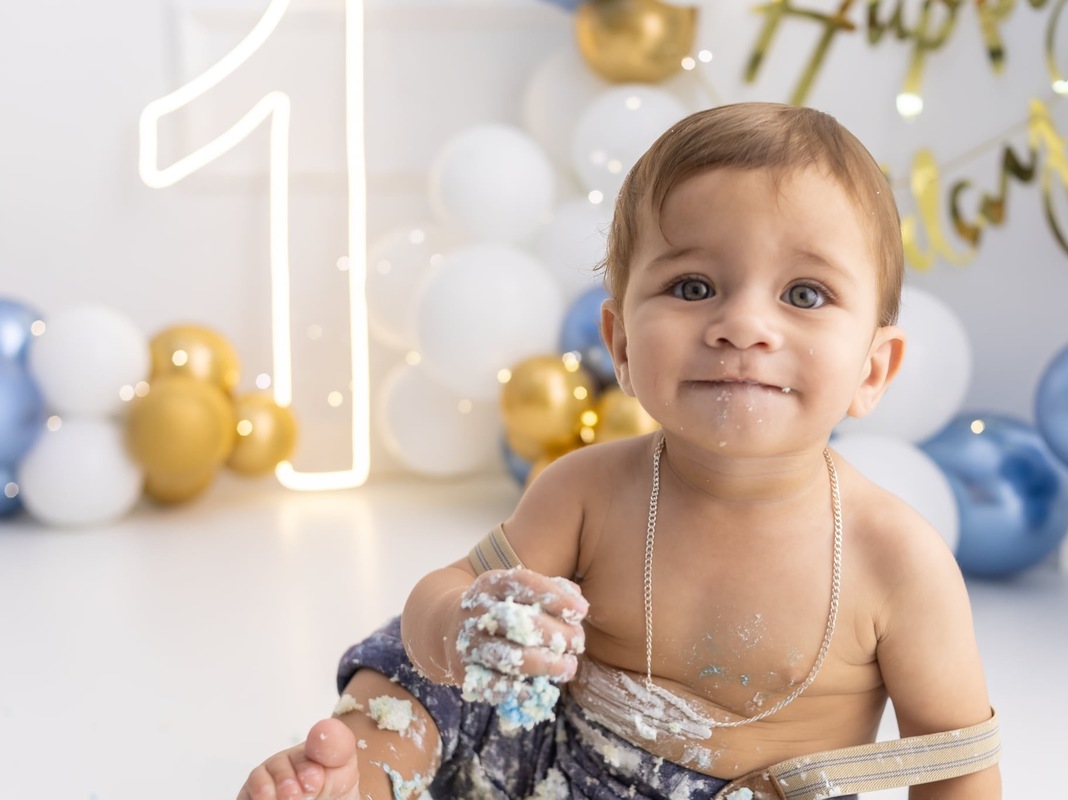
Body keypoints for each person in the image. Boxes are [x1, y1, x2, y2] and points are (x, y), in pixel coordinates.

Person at [238, 102, 1000, 800]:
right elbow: (438, 597)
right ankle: (357, 778)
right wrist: (466, 622)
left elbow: (954, 758)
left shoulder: (896, 558)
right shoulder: (590, 489)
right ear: (623, 344)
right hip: (537, 773)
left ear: (873, 371)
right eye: (694, 286)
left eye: (803, 295)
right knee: (419, 656)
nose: (742, 325)